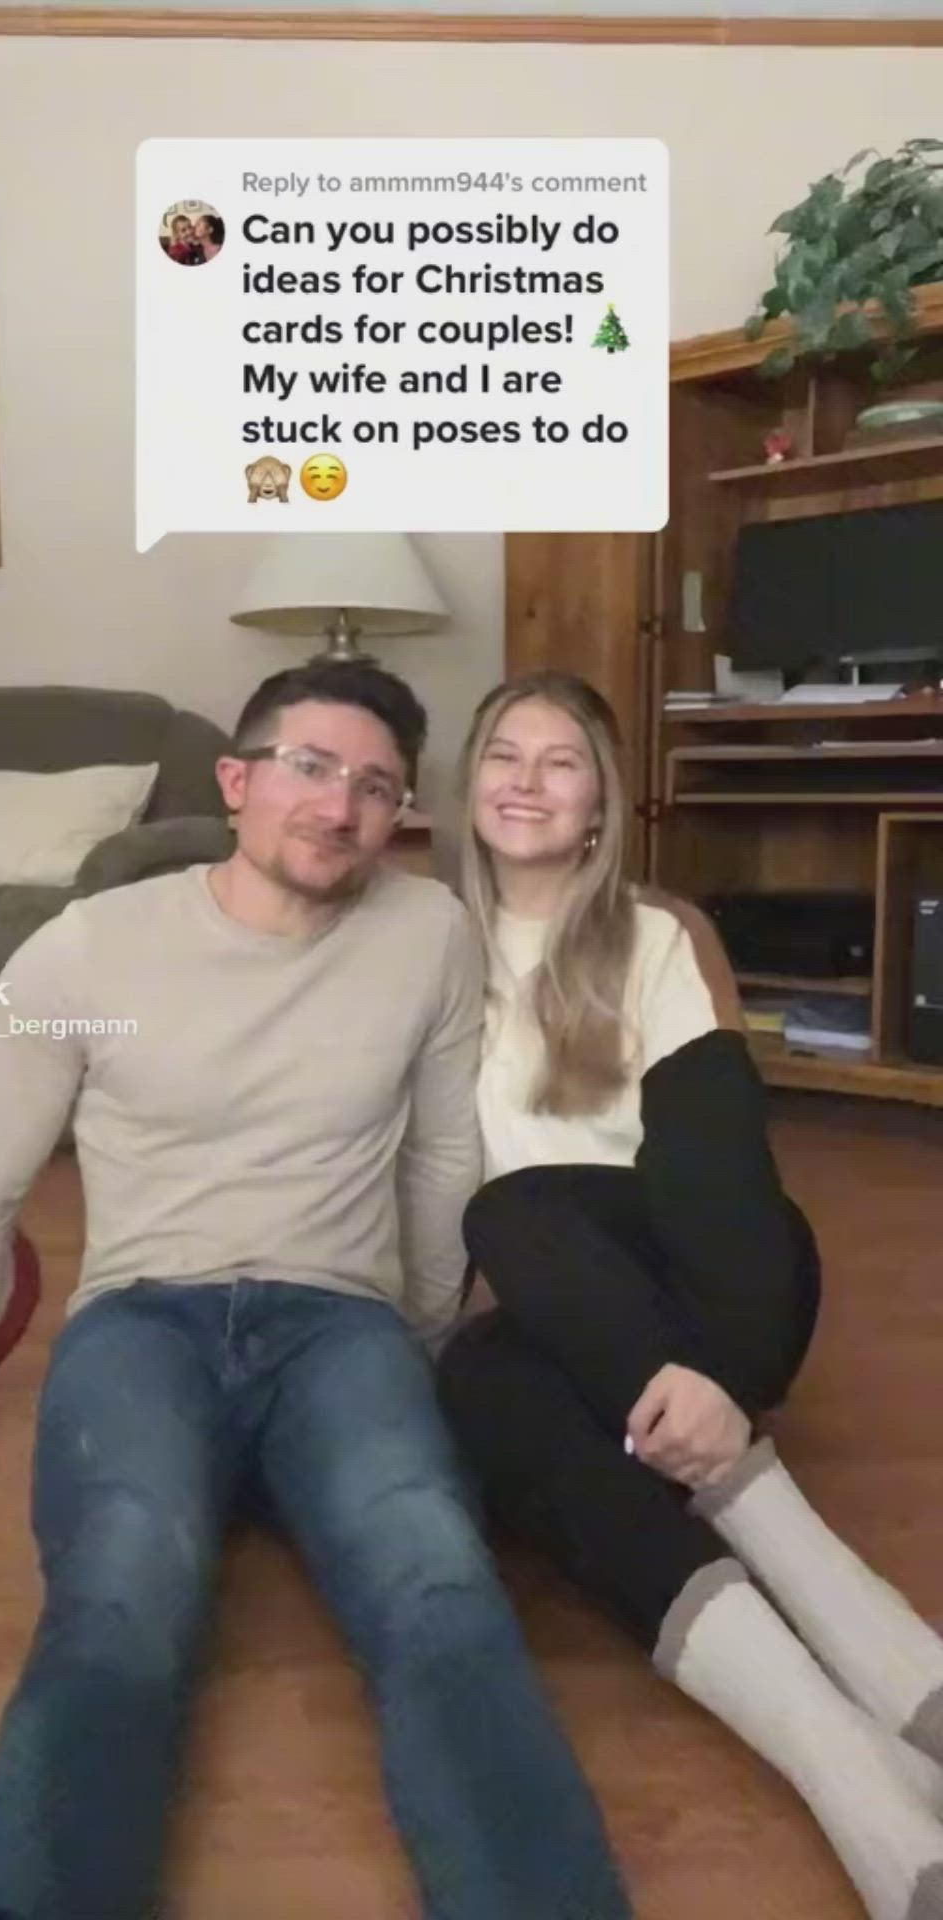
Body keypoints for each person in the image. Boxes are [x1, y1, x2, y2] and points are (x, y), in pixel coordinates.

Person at [0, 661, 632, 1920]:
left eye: (377, 788)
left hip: (340, 1325)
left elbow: (444, 1154)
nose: (341, 807)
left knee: (438, 1583)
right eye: (312, 768)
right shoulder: (87, 948)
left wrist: (423, 1336)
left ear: (399, 817)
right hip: (141, 1323)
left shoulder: (429, 932)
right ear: (237, 781)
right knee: (120, 1597)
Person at [437, 669, 943, 1920]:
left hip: (718, 1285)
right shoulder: (425, 950)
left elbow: (719, 1173)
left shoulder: (653, 937)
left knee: (524, 1208)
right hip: (557, 1323)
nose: (529, 779)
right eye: (506, 753)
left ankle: (773, 1520)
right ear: (469, 785)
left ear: (602, 804)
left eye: (564, 761)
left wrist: (711, 1367)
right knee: (491, 1370)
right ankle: (857, 1759)